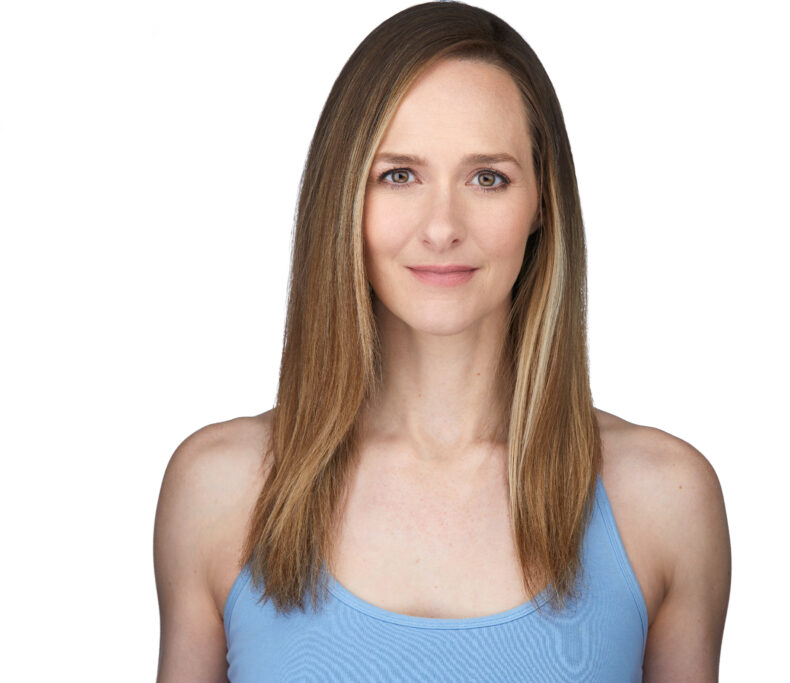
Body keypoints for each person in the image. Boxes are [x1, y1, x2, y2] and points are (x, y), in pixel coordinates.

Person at [153, 2, 731, 680]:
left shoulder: (664, 503)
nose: (442, 226)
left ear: (542, 200)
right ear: (345, 196)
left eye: (488, 177)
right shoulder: (221, 491)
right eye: (399, 174)